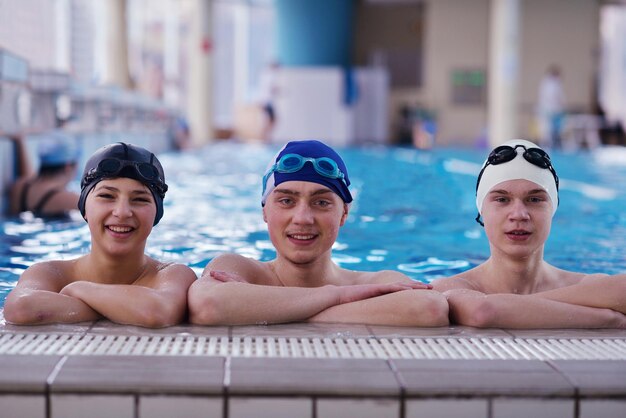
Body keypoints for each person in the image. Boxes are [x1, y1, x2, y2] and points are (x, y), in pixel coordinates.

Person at [188, 140, 449, 326]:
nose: (303, 218)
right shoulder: (237, 267)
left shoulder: (372, 281)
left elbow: (429, 308)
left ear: (344, 214)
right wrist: (335, 295)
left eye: (322, 202)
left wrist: (268, 308)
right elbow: (208, 305)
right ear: (265, 211)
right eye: (286, 201)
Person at [432, 139, 626, 328]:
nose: (519, 215)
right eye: (501, 199)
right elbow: (483, 311)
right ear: (481, 209)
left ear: (553, 208)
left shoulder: (585, 283)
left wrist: (516, 308)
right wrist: (607, 319)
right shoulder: (450, 288)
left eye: (534, 199)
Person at [4, 143, 197, 327]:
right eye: (106, 196)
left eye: (139, 199)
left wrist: (80, 289)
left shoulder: (172, 274)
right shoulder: (51, 273)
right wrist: (124, 309)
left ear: (157, 214)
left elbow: (157, 312)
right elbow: (20, 308)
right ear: (84, 209)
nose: (122, 212)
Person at [7, 131, 80, 218]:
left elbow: (29, 176)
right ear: (68, 167)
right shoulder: (70, 200)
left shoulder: (19, 187)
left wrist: (20, 142)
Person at [537, 65, 566, 149]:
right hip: (550, 112)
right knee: (548, 134)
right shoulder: (549, 84)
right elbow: (554, 98)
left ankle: (552, 147)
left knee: (553, 133)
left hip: (554, 112)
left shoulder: (553, 84)